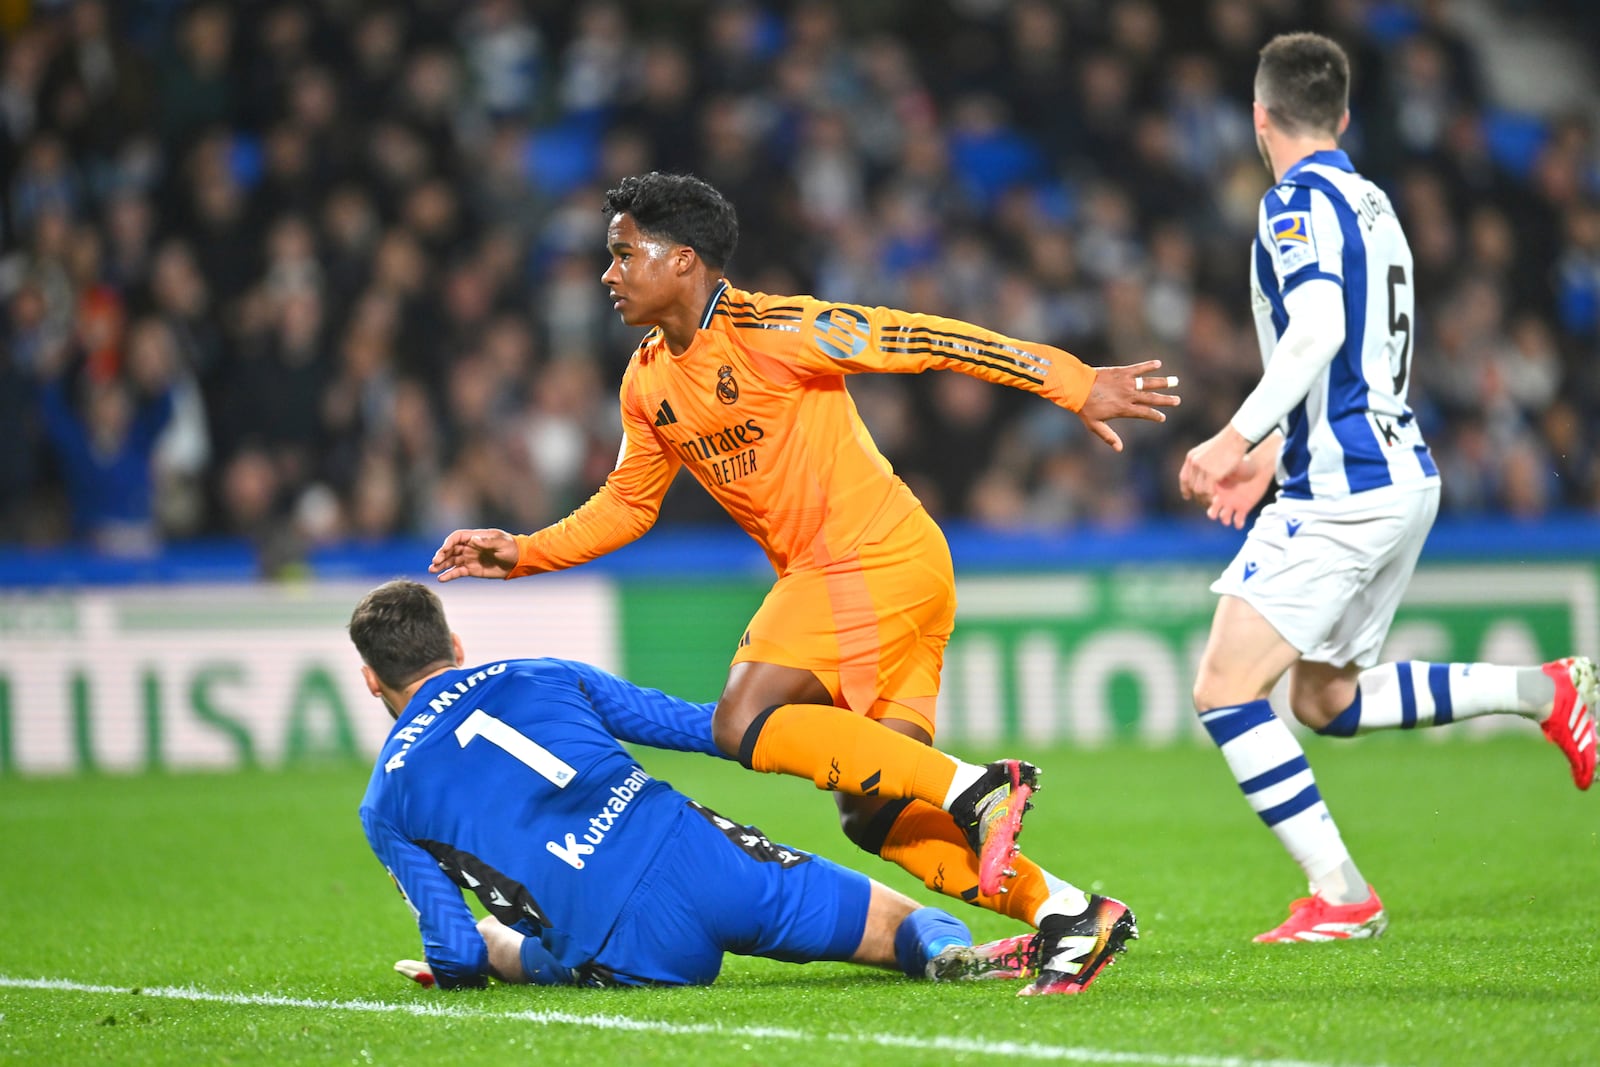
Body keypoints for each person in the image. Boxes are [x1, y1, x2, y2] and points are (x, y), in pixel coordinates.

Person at [430, 171, 1169, 993]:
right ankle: (1071, 913)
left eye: (621, 254)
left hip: (870, 557)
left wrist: (1072, 381)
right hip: (886, 580)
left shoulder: (778, 327)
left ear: (681, 261)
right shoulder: (647, 380)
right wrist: (523, 552)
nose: (607, 273)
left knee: (743, 720)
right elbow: (629, 504)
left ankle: (977, 785)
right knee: (876, 812)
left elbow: (921, 337)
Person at [1179, 32, 1597, 944]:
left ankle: (1340, 892)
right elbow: (1362, 347)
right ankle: (1548, 691)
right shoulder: (1374, 202)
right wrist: (1274, 448)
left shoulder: (1291, 202)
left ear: (1258, 118)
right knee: (1325, 700)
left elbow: (1322, 324)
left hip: (1345, 488)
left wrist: (1235, 433)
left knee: (1223, 688)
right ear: (1344, 116)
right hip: (1397, 473)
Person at [348, 578, 1058, 992]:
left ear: (372, 680)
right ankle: (942, 953)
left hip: (619, 939)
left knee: (495, 938)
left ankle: (543, 949)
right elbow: (705, 726)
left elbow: (459, 955)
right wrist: (824, 744)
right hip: (703, 853)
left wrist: (456, 964)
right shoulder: (542, 673)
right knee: (900, 921)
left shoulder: (387, 797)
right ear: (456, 646)